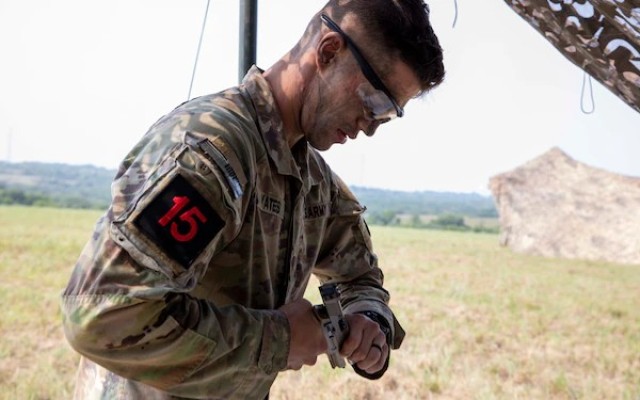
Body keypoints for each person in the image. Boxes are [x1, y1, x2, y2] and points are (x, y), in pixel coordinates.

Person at [60, 0, 445, 398]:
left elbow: (359, 274)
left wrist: (369, 321)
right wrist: (279, 339)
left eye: (387, 115)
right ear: (329, 52)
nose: (371, 127)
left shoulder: (311, 179)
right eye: (374, 102)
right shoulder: (212, 154)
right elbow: (101, 314)